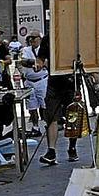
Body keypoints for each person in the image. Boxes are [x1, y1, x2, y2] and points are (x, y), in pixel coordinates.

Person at [37, 33, 80, 166]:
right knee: (51, 116)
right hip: (54, 82)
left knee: (73, 115)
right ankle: (51, 151)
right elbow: (40, 57)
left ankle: (72, 147)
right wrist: (38, 64)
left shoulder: (75, 34)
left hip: (72, 82)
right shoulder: (49, 37)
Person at [18, 30, 47, 136]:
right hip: (29, 81)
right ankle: (35, 127)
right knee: (32, 106)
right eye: (30, 38)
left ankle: (48, 124)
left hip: (42, 80)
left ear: (40, 39)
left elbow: (47, 62)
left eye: (34, 37)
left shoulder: (44, 50)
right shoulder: (25, 50)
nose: (31, 40)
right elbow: (23, 61)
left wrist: (39, 63)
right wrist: (36, 62)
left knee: (44, 104)